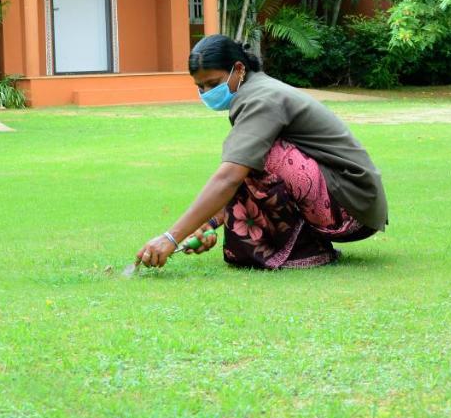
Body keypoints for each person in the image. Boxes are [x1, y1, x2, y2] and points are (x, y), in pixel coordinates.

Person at [135, 34, 387, 271]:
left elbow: (230, 177)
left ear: (239, 69)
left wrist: (171, 237)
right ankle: (300, 246)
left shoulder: (261, 98)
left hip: (350, 208)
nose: (206, 93)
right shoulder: (254, 93)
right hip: (344, 200)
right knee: (247, 157)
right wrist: (206, 225)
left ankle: (305, 250)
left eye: (213, 83)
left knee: (258, 158)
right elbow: (239, 179)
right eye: (200, 87)